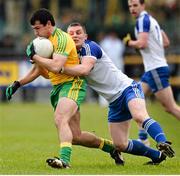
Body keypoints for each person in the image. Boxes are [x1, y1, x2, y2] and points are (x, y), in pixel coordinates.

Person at [5, 8, 124, 169]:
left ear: (48, 24)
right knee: (76, 136)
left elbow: (56, 66)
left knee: (60, 118)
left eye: (37, 28)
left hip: (72, 83)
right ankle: (112, 148)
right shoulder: (41, 43)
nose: (35, 33)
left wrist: (35, 56)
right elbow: (39, 70)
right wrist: (18, 83)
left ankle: (64, 161)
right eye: (34, 29)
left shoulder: (62, 39)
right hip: (58, 88)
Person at [62, 22, 175, 165]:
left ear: (85, 36)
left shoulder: (90, 47)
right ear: (66, 37)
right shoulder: (69, 56)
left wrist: (60, 68)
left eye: (78, 32)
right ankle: (157, 156)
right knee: (120, 144)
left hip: (128, 88)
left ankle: (162, 142)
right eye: (71, 33)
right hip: (114, 102)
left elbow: (84, 69)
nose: (75, 36)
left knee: (139, 116)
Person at [123, 0, 180, 145]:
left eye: (135, 5)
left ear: (143, 5)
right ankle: (143, 140)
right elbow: (165, 42)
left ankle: (143, 139)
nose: (132, 9)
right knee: (136, 101)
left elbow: (142, 43)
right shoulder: (152, 20)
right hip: (152, 70)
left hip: (156, 69)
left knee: (170, 107)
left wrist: (129, 42)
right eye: (130, 6)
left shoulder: (142, 20)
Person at [98, 28, 125, 107]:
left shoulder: (119, 43)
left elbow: (120, 54)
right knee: (104, 83)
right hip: (106, 66)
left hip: (118, 65)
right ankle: (103, 102)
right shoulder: (104, 42)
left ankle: (120, 101)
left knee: (119, 83)